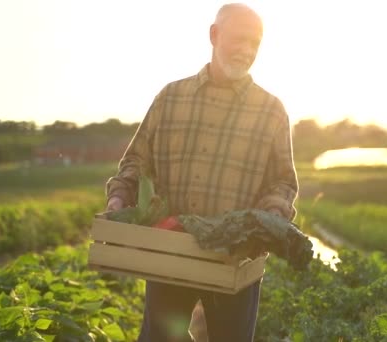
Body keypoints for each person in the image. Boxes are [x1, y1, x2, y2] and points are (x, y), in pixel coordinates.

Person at [104, 3, 299, 341]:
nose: (247, 50)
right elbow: (134, 162)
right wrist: (120, 199)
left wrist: (269, 218)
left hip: (236, 259)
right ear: (213, 34)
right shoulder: (171, 98)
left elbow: (283, 181)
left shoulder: (271, 111)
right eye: (238, 39)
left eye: (255, 42)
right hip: (170, 251)